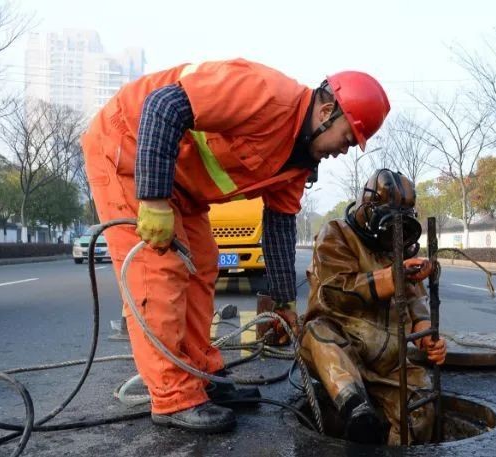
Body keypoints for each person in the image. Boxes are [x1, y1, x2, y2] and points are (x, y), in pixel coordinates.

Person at [80, 59, 390, 433]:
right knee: (158, 273)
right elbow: (163, 106)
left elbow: (278, 225)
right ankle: (172, 395)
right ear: (327, 112)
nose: (343, 151)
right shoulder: (264, 93)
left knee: (203, 265)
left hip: (183, 184)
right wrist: (154, 198)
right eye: (346, 138)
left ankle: (201, 374)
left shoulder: (298, 161)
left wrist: (282, 301)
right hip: (130, 150)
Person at [299, 169, 447, 445]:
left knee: (421, 410)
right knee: (318, 334)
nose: (395, 233)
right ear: (368, 209)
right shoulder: (336, 234)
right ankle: (355, 406)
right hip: (345, 348)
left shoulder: (397, 246)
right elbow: (335, 291)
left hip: (390, 363)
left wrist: (425, 331)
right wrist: (392, 277)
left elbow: (415, 297)